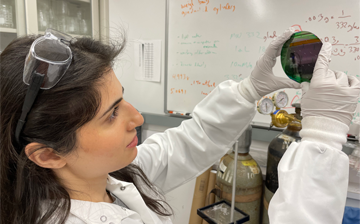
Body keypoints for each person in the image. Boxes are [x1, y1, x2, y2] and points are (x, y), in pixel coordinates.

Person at [0, 27, 358, 224]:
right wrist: (323, 140)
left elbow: (189, 142)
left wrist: (248, 91)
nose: (136, 118)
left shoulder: (112, 176)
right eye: (111, 114)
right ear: (47, 154)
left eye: (122, 98)